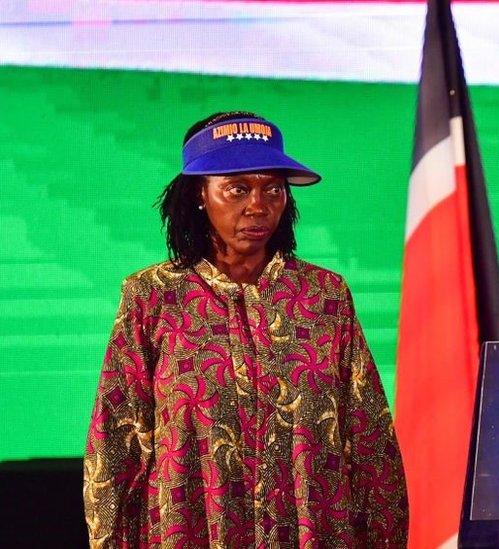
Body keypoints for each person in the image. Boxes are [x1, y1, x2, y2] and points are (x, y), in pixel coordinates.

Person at [83, 111, 408, 547]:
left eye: (272, 189)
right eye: (237, 188)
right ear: (200, 193)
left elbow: (370, 441)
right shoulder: (152, 296)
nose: (258, 205)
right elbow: (114, 444)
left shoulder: (324, 296)